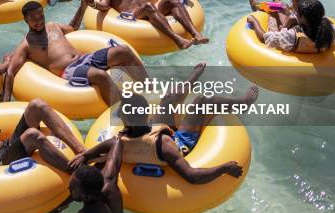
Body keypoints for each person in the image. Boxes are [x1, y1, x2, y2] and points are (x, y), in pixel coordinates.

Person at [70, 64, 259, 185]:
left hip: (151, 132)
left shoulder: (120, 140)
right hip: (180, 140)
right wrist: (225, 168)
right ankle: (244, 103)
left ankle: (192, 78)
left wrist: (86, 154)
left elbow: (103, 147)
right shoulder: (165, 145)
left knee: (167, 99)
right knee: (203, 100)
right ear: (145, 116)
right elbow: (192, 176)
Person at [2, 0, 149, 105]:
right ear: (25, 20)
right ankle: (125, 113)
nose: (39, 20)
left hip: (86, 58)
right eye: (33, 18)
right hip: (69, 70)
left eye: (41, 15)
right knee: (100, 75)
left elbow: (73, 28)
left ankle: (151, 90)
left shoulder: (53, 26)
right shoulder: (27, 44)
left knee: (123, 51)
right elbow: (10, 72)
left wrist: (83, 6)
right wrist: (6, 103)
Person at [247, 0, 335, 53]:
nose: (295, 14)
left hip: (287, 36)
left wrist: (253, 21)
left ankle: (256, 5)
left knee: (281, 7)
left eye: (297, 13)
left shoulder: (292, 37)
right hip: (300, 28)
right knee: (284, 7)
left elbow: (264, 38)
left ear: (304, 19)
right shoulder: (330, 32)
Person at [68, 136, 123, 213]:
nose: (68, 188)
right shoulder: (109, 182)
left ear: (86, 197)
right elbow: (115, 142)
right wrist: (86, 155)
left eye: (72, 188)